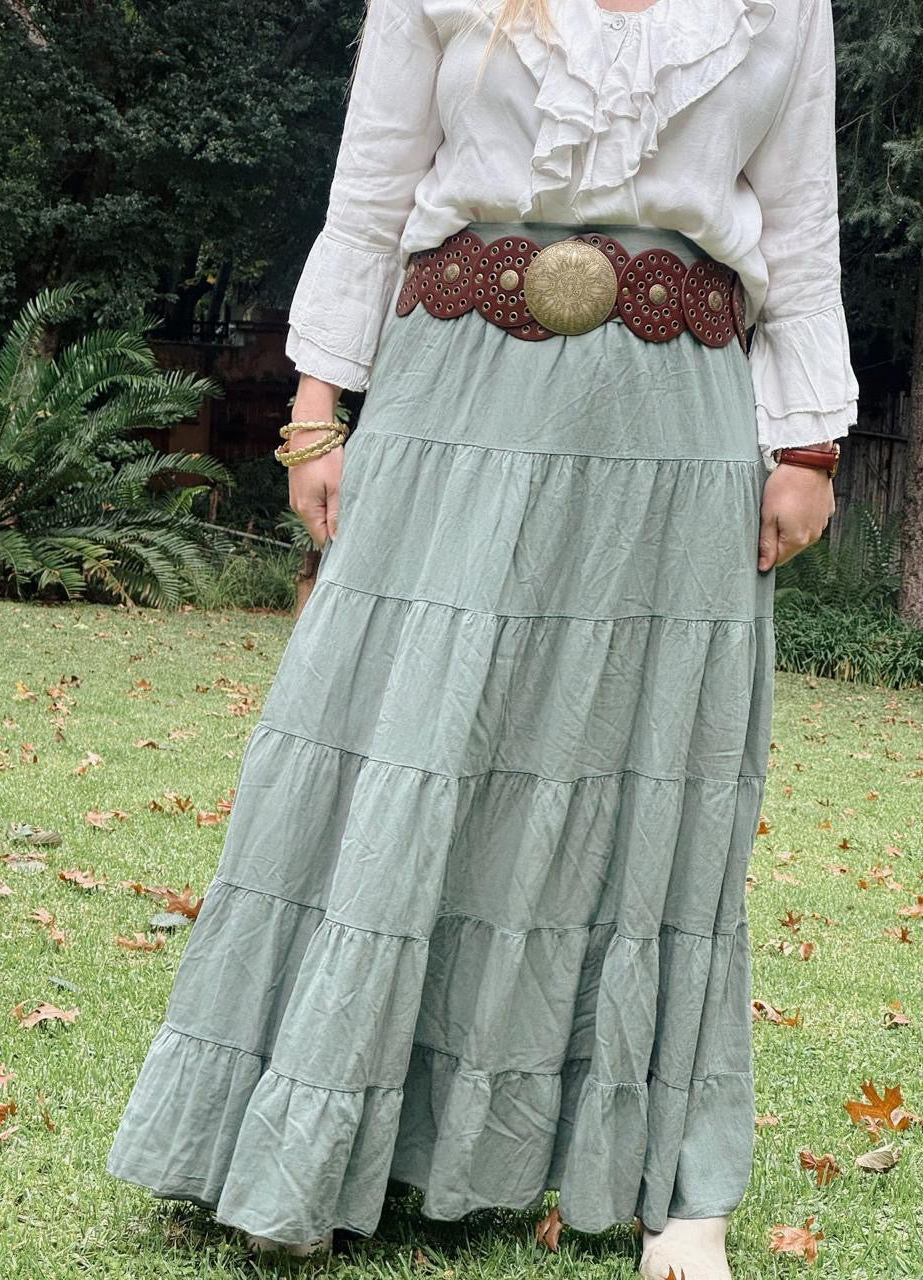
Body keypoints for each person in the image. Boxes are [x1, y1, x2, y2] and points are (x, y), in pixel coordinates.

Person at [105, 1, 858, 1277]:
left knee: (644, 763)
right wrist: (316, 404)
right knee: (406, 738)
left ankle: (677, 1179)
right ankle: (315, 1135)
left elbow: (800, 219)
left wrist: (810, 441)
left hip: (674, 412)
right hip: (454, 386)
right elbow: (372, 185)